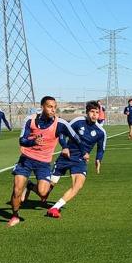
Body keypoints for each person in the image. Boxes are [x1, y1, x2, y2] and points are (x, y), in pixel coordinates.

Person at [7, 96, 82, 227]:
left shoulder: (61, 123)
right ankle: (15, 215)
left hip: (43, 163)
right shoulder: (30, 120)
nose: (53, 110)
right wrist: (33, 141)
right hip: (26, 159)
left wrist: (73, 149)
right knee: (17, 190)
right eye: (50, 106)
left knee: (43, 194)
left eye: (55, 107)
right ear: (42, 107)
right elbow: (22, 140)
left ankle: (30, 186)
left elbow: (76, 138)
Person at [46, 101, 107, 218]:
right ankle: (30, 186)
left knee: (78, 185)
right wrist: (64, 147)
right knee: (45, 192)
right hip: (66, 157)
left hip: (80, 160)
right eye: (92, 112)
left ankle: (54, 208)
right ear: (87, 112)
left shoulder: (101, 132)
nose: (95, 115)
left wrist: (98, 160)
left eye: (97, 112)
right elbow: (62, 133)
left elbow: (101, 148)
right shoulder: (78, 122)